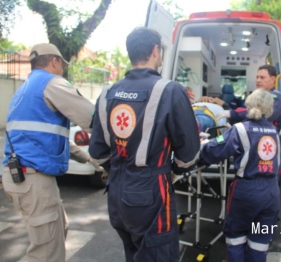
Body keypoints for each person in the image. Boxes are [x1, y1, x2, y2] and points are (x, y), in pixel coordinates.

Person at [88, 27, 200, 262]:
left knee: (134, 253)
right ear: (155, 51)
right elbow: (188, 154)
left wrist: (123, 169)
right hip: (151, 193)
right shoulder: (170, 90)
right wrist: (173, 172)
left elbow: (98, 153)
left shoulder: (107, 93)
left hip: (117, 193)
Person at [2, 43, 96, 262]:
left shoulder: (24, 90)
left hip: (18, 177)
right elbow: (91, 118)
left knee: (56, 232)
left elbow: (50, 139)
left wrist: (91, 159)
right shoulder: (51, 83)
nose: (62, 70)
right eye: (62, 65)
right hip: (34, 180)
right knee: (46, 255)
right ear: (54, 61)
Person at [199, 88, 280, 262]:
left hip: (246, 192)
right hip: (272, 193)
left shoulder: (241, 129)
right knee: (259, 243)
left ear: (248, 105)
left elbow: (214, 150)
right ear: (269, 109)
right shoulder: (275, 133)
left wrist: (202, 143)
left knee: (236, 238)